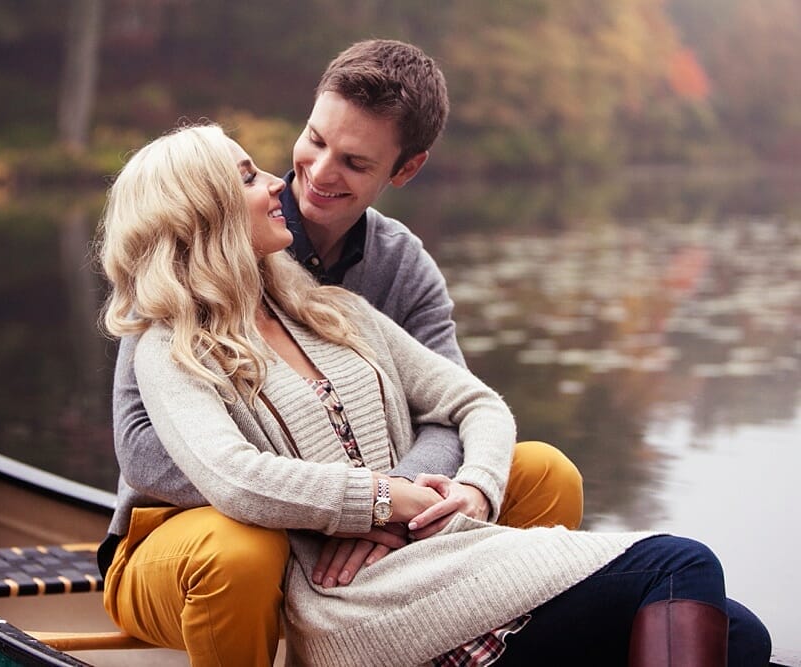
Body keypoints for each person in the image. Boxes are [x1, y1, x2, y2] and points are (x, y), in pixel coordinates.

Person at [97, 123, 771, 666]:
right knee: (682, 564)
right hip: (359, 600)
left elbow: (478, 403)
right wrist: (384, 499)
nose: (277, 183)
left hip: (434, 552)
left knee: (739, 635)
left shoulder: (334, 312)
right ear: (201, 210)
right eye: (247, 177)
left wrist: (471, 489)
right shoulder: (171, 346)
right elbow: (234, 479)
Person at [99, 39, 584, 665]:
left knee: (544, 473)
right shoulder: (196, 238)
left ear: (403, 170)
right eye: (315, 139)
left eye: (355, 161)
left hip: (372, 506)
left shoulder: (401, 267)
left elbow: (451, 406)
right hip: (203, 529)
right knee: (244, 549)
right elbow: (140, 451)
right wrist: (336, 505)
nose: (320, 173)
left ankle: (468, 643)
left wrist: (394, 501)